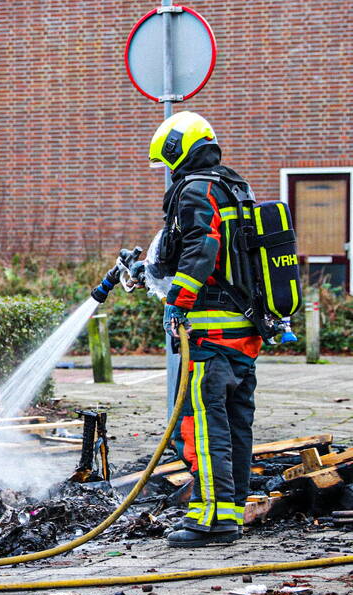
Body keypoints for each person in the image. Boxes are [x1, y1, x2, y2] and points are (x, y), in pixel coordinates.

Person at [147, 111, 259, 548]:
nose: (168, 173)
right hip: (243, 333)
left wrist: (178, 302)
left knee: (205, 428)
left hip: (210, 336)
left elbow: (201, 248)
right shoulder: (234, 187)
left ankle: (210, 521)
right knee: (236, 424)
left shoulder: (195, 190)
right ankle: (231, 509)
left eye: (167, 163)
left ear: (179, 151)